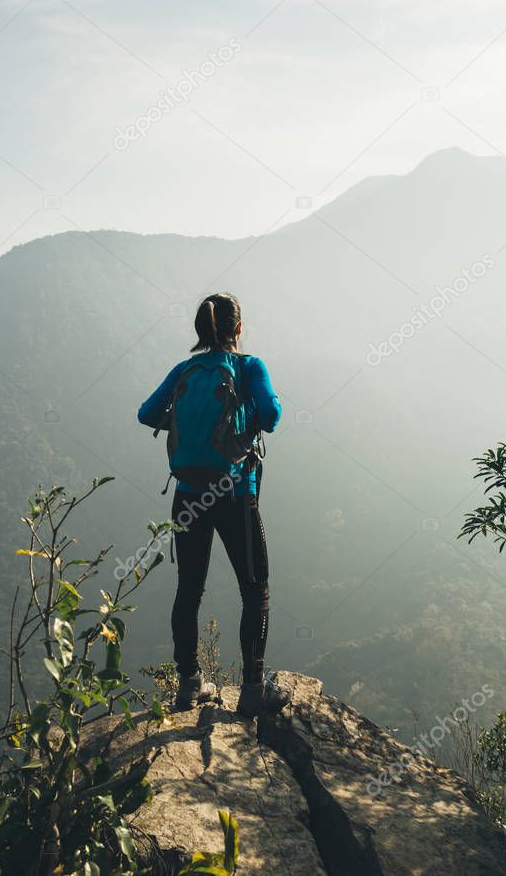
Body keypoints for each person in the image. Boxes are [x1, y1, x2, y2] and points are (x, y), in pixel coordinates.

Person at [137, 292, 290, 717]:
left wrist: (184, 423)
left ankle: (189, 685)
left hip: (188, 494)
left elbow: (146, 414)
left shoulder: (184, 370)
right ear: (238, 328)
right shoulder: (247, 366)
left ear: (200, 331)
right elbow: (273, 417)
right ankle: (254, 689)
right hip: (236, 494)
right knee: (254, 589)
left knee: (189, 589)